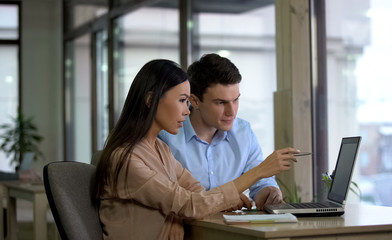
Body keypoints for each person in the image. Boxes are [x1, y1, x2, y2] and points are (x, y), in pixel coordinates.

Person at [94, 59, 299, 240]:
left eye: (236, 100)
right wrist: (259, 172)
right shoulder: (127, 158)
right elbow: (189, 204)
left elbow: (197, 193)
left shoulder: (159, 148)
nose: (186, 110)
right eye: (182, 100)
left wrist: (224, 201)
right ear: (150, 100)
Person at [159, 53, 286, 211]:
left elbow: (261, 183)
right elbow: (166, 197)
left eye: (236, 100)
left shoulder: (244, 132)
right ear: (194, 101)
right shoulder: (166, 136)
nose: (231, 112)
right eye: (220, 102)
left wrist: (269, 192)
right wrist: (224, 199)